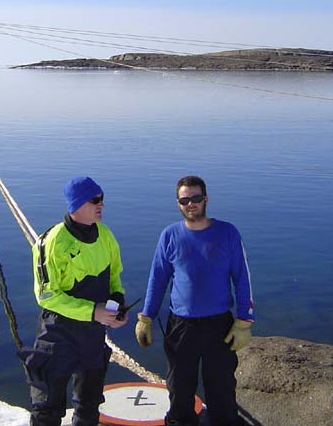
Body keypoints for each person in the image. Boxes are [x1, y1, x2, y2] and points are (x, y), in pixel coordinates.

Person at [135, 175, 254, 426]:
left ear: (206, 199)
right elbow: (157, 279)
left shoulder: (227, 233)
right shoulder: (169, 236)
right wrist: (146, 317)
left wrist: (244, 321)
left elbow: (242, 278)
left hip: (219, 325)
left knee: (221, 389)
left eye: (196, 198)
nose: (191, 204)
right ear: (178, 203)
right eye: (185, 200)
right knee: (180, 389)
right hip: (181, 326)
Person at [20, 176, 128, 426]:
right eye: (95, 200)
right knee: (47, 405)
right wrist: (93, 311)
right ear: (77, 204)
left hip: (93, 335)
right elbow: (47, 296)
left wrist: (116, 304)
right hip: (59, 333)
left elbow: (115, 276)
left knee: (89, 405)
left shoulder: (106, 235)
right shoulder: (52, 242)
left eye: (102, 199)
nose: (101, 205)